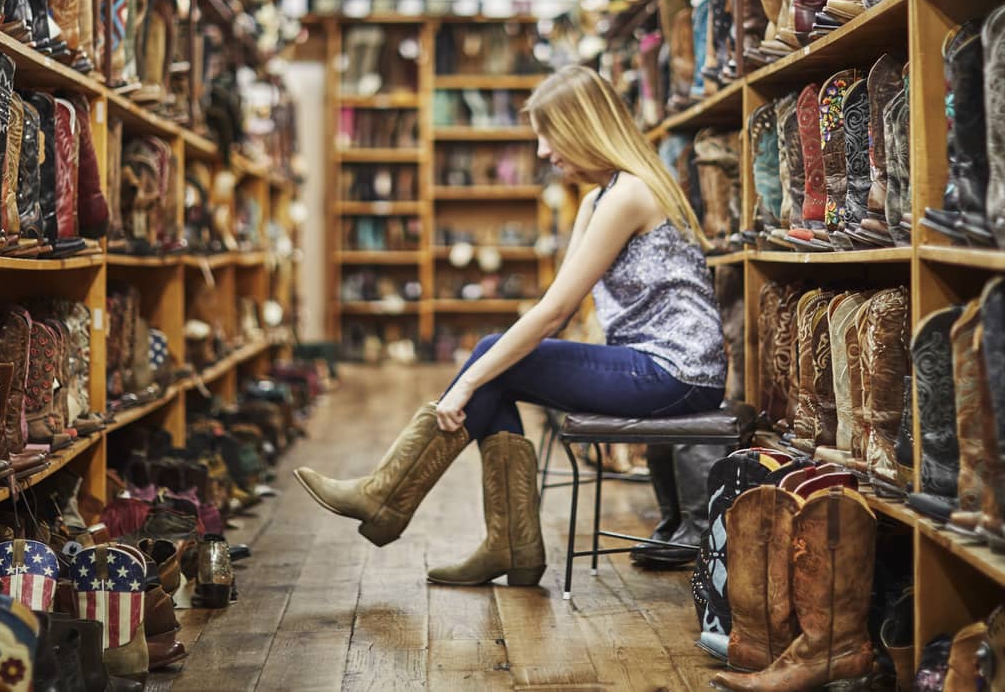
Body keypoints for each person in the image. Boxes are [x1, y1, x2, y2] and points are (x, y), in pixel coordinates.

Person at [294, 65, 728, 587]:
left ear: (583, 127)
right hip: (650, 367)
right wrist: (476, 378)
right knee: (497, 363)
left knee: (492, 359)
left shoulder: (629, 194)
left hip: (676, 374)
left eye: (549, 134)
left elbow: (554, 313)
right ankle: (508, 545)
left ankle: (391, 496)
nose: (543, 151)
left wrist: (466, 383)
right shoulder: (599, 198)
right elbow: (557, 298)